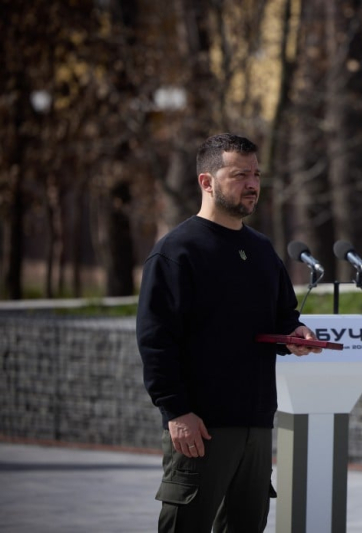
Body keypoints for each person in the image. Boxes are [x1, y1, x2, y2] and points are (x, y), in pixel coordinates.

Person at [136, 133, 321, 532]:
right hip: (201, 426)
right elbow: (156, 340)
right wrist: (176, 410)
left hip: (256, 424)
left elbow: (282, 316)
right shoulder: (176, 252)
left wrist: (296, 334)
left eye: (256, 174)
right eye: (240, 174)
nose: (253, 184)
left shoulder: (260, 249)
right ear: (207, 182)